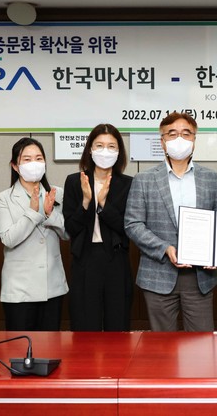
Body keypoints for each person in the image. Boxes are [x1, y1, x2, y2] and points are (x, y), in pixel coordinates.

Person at [125, 112, 217, 332]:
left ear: (194, 140)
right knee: (162, 346)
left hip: (200, 276)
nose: (179, 139)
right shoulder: (144, 179)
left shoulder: (210, 177)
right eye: (172, 134)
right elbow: (133, 224)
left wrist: (215, 253)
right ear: (162, 141)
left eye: (186, 134)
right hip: (158, 273)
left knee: (201, 343)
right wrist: (165, 248)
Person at [63, 124, 133, 331]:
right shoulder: (75, 181)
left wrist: (103, 204)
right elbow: (71, 228)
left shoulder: (128, 184)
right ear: (90, 149)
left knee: (117, 324)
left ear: (119, 151)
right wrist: (86, 202)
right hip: (85, 258)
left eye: (111, 146)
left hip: (116, 259)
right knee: (85, 325)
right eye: (99, 145)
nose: (105, 151)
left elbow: (127, 227)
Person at [0, 138, 69, 331]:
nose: (34, 163)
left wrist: (50, 214)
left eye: (38, 158)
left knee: (50, 346)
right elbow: (9, 239)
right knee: (20, 347)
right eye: (27, 159)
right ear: (15, 166)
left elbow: (68, 234)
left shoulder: (57, 194)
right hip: (19, 290)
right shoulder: (4, 198)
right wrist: (33, 213)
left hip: (52, 286)